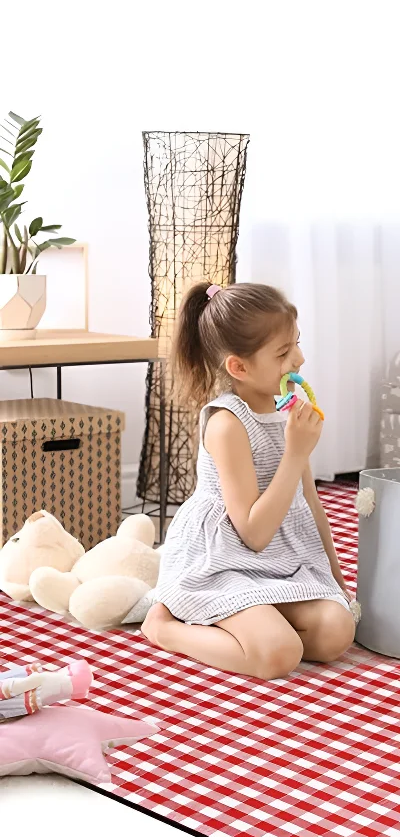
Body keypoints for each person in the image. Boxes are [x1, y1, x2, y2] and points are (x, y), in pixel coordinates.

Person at [141, 283, 356, 680]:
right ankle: (166, 628)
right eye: (282, 353)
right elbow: (253, 534)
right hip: (225, 561)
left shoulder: (291, 407)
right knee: (279, 655)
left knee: (337, 631)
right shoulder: (227, 424)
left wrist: (337, 581)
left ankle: (256, 619)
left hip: (283, 560)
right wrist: (295, 453)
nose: (300, 358)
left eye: (297, 343)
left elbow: (310, 501)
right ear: (239, 367)